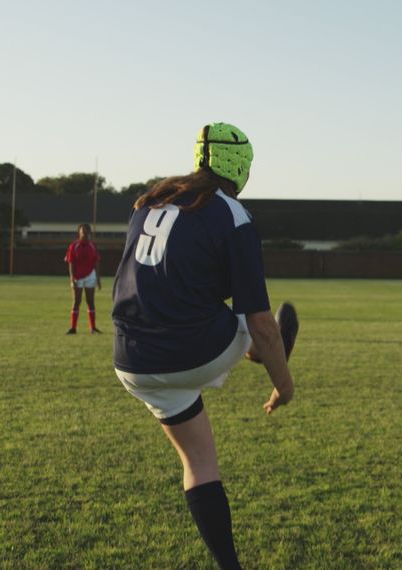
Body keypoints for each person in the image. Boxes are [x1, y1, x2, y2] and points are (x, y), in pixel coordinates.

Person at [112, 122, 296, 569]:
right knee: (260, 326)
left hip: (131, 361)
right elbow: (259, 319)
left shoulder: (149, 201)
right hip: (194, 351)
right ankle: (251, 352)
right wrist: (284, 386)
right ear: (241, 166)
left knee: (198, 463)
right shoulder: (232, 213)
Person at [64, 223, 102, 334]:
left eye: (87, 232)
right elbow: (71, 263)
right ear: (79, 233)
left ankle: (93, 328)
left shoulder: (92, 246)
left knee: (90, 301)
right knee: (76, 301)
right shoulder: (74, 246)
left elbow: (96, 262)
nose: (85, 234)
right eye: (83, 231)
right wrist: (72, 278)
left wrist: (98, 279)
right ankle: (73, 328)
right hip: (77, 277)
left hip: (90, 275)